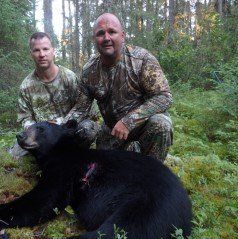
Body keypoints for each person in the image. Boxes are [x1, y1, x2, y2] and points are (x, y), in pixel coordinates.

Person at [64, 13, 173, 162]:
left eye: (112, 32)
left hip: (142, 126)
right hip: (112, 130)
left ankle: (150, 174)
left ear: (122, 36)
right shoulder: (89, 70)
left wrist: (129, 121)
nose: (106, 38)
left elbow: (164, 97)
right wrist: (59, 127)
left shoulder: (141, 59)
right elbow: (81, 108)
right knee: (101, 162)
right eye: (100, 33)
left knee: (161, 124)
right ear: (94, 39)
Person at [10, 32, 79, 158]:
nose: (42, 54)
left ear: (53, 51)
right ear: (31, 54)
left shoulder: (69, 78)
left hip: (65, 132)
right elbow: (25, 118)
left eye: (45, 49)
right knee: (14, 154)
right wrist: (35, 134)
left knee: (88, 129)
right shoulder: (26, 86)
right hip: (40, 137)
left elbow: (81, 108)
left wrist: (60, 125)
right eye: (36, 50)